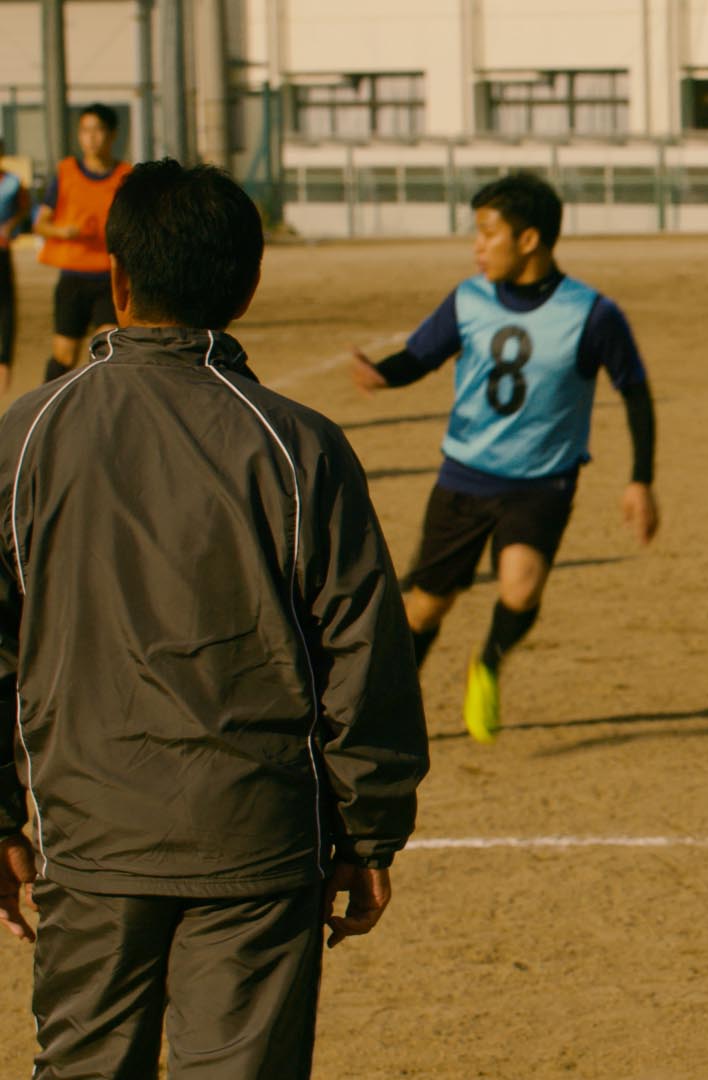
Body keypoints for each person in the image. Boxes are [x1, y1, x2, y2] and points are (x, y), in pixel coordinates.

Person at [0, 160, 430, 1079]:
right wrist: (368, 828)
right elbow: (362, 650)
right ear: (249, 286)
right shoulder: (297, 444)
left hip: (90, 836)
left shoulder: (27, 435)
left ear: (116, 278)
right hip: (260, 843)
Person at [349, 171, 660, 743]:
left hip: (543, 481)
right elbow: (420, 357)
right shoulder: (468, 299)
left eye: (488, 234)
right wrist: (381, 373)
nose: (477, 247)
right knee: (424, 609)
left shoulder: (590, 313)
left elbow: (634, 390)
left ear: (529, 240)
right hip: (465, 477)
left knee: (520, 588)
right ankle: (392, 707)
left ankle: (487, 662)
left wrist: (640, 480)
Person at [32, 104, 130, 383]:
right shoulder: (66, 173)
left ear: (112, 135)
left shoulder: (125, 177)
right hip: (73, 278)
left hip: (110, 278)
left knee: (109, 347)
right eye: (86, 130)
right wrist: (63, 232)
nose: (91, 137)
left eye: (98, 130)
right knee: (64, 356)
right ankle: (48, 406)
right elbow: (40, 223)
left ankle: (104, 412)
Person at [0, 138, 30, 394]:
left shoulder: (11, 183)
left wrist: (11, 225)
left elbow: (25, 207)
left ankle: (4, 362)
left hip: (1, 250)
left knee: (6, 305)